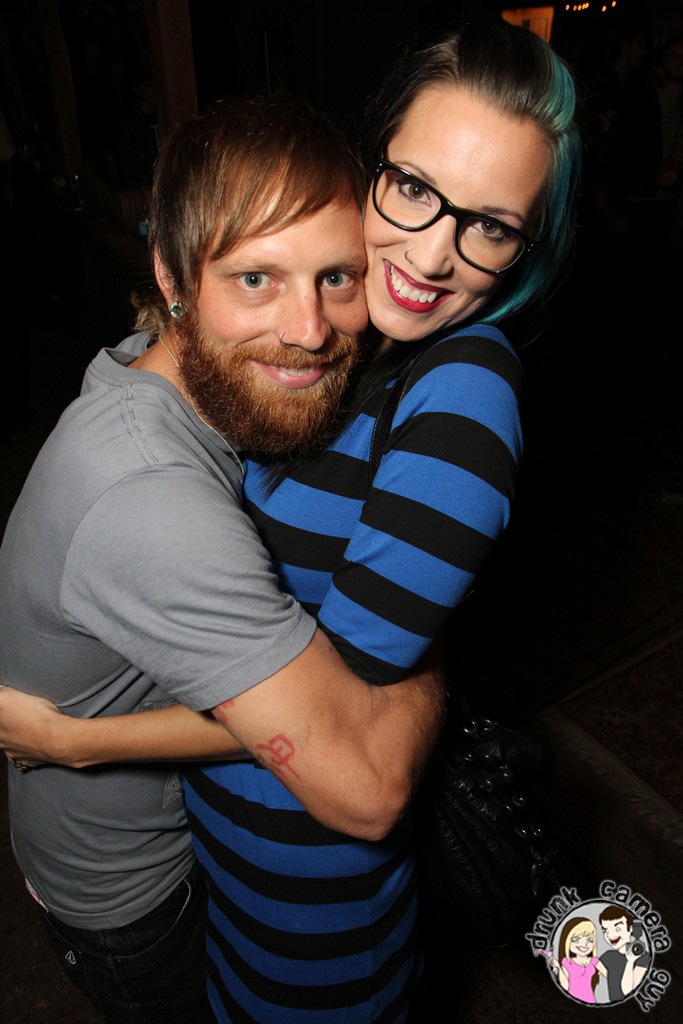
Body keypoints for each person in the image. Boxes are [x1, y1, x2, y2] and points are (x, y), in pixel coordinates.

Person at [0, 13, 582, 1023]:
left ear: (525, 248)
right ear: (370, 170)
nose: (430, 255)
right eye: (413, 189)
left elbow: (362, 765)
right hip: (224, 866)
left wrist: (83, 740)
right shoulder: (348, 359)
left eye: (489, 225)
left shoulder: (463, 386)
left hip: (307, 898)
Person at [550, 916, 608, 1004]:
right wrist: (558, 967)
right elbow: (565, 986)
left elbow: (610, 976)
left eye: (590, 940)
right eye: (576, 940)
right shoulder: (566, 962)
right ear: (567, 941)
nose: (584, 944)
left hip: (590, 1001)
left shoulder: (594, 961)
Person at [599, 905, 651, 1001]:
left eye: (617, 929)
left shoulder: (643, 957)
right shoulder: (608, 956)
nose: (610, 935)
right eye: (605, 930)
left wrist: (630, 961)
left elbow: (627, 992)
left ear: (630, 929)